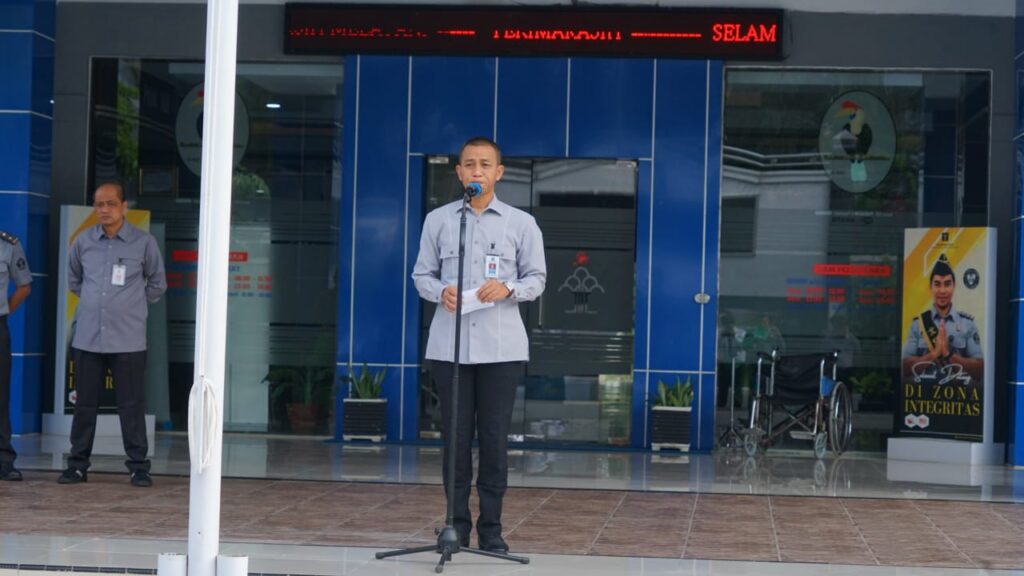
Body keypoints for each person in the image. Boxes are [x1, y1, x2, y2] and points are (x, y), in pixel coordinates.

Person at [412, 137, 546, 553]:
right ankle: (455, 527)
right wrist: (440, 291)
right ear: (458, 173)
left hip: (501, 350)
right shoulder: (439, 220)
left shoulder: (521, 224)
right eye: (469, 164)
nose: (476, 171)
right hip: (449, 347)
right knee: (454, 440)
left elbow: (537, 279)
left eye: (485, 165)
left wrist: (507, 288)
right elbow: (421, 275)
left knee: (493, 439)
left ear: (498, 173)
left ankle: (492, 529)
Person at [60, 182, 166, 487]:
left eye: (110, 204)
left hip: (128, 340)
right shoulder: (83, 242)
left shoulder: (143, 243)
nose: (104, 210)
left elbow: (157, 283)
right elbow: (74, 281)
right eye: (98, 204)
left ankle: (138, 467)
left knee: (131, 406)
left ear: (123, 207)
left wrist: (131, 305)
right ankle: (77, 465)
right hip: (88, 338)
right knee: (84, 405)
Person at [902, 253, 982, 382]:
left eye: (947, 284)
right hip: (924, 393)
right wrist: (934, 354)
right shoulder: (918, 324)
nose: (942, 291)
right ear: (931, 287)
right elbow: (905, 368)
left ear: (954, 286)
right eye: (937, 284)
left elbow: (979, 371)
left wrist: (948, 354)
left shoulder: (967, 324)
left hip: (959, 393)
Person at [0, 230, 32, 481]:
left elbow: (24, 287)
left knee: (0, 396)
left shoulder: (8, 245)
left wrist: (4, 311)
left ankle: (4, 461)